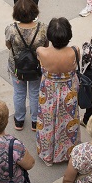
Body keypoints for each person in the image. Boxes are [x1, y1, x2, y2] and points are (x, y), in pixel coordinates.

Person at [35, 17, 81, 164]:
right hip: (68, 90)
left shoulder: (41, 52)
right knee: (68, 120)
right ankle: (67, 152)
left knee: (47, 122)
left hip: (49, 90)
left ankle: (47, 153)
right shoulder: (74, 51)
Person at [4, 0, 48, 131]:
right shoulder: (42, 28)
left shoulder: (11, 29)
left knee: (19, 93)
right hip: (36, 68)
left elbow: (8, 45)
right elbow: (46, 46)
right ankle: (35, 121)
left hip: (17, 68)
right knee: (35, 93)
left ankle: (19, 120)